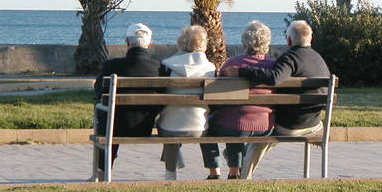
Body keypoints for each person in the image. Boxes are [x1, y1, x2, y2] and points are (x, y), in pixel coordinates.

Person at [221, 20, 330, 179]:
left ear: (289, 41)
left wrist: (240, 72)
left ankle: (244, 175)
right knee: (262, 134)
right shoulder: (319, 59)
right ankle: (239, 162)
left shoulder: (290, 58)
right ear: (310, 39)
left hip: (290, 126)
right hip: (314, 124)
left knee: (261, 137)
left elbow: (274, 78)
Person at [200, 21, 275, 180]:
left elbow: (217, 96)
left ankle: (218, 172)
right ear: (267, 42)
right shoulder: (275, 67)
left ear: (244, 41)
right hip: (265, 126)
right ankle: (234, 171)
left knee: (210, 126)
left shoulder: (232, 64)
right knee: (235, 118)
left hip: (234, 125)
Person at [93, 23, 160, 181]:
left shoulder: (112, 65)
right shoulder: (157, 68)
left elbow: (98, 93)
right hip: (143, 127)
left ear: (127, 42)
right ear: (150, 44)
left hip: (112, 128)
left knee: (109, 115)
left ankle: (103, 172)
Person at [157, 25, 216, 180]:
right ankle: (214, 170)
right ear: (204, 44)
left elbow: (160, 97)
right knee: (209, 120)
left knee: (167, 121)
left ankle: (170, 173)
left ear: (180, 42)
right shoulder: (210, 68)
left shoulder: (167, 66)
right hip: (200, 128)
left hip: (170, 128)